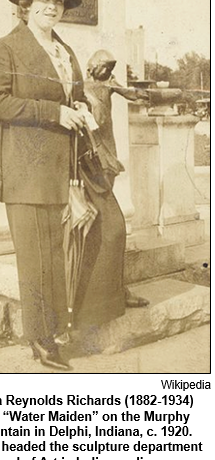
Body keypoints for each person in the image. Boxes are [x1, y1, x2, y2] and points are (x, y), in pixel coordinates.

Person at [0, 0, 127, 371]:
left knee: (97, 236)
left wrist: (79, 106)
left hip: (71, 166)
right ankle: (43, 339)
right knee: (39, 259)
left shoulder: (64, 50)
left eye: (59, 1)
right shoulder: (5, 48)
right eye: (43, 0)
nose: (52, 7)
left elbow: (73, 94)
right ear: (25, 6)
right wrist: (54, 113)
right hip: (28, 170)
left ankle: (76, 321)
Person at [84, 49, 149, 308]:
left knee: (112, 226)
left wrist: (143, 94)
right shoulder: (80, 86)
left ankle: (117, 289)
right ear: (92, 66)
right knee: (100, 226)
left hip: (108, 153)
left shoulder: (108, 83)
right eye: (105, 69)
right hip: (90, 153)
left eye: (111, 70)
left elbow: (129, 93)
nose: (108, 74)